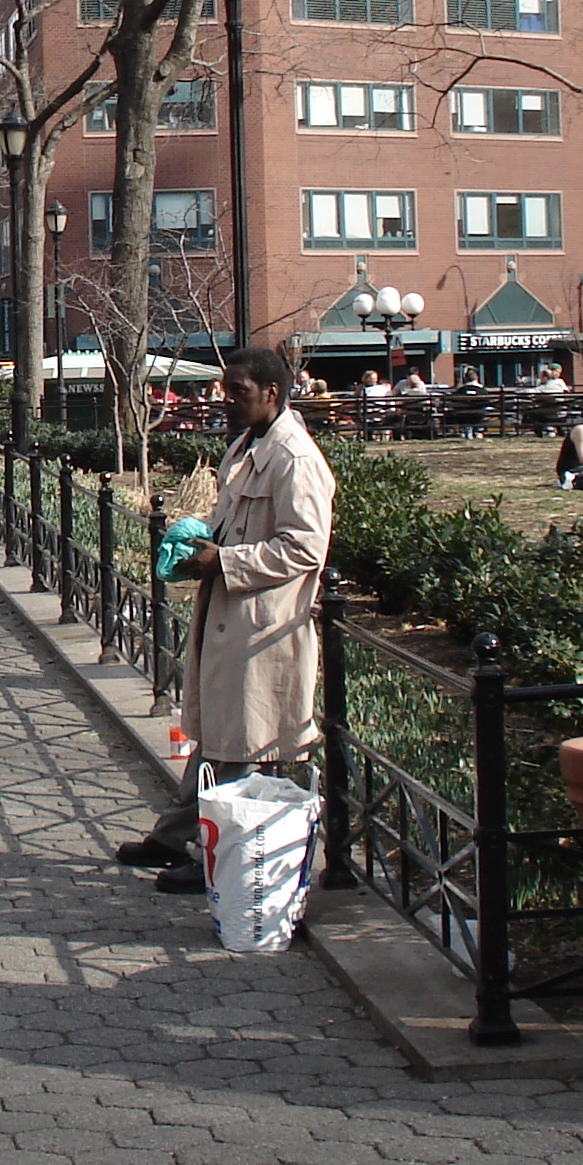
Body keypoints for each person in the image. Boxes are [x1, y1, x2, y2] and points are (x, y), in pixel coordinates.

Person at [117, 348, 336, 893]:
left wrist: (226, 561)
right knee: (218, 733)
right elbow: (233, 522)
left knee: (243, 742)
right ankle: (175, 834)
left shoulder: (296, 459)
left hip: (264, 625)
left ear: (272, 393)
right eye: (224, 388)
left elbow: (305, 548)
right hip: (228, 614)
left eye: (237, 390)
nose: (226, 399)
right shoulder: (246, 445)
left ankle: (216, 854)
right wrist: (202, 541)